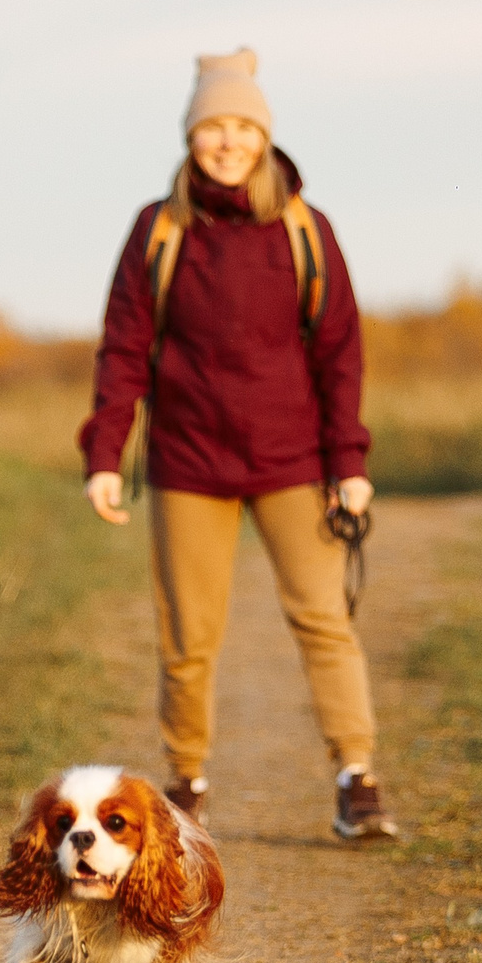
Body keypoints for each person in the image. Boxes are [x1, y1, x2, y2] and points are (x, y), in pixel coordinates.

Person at [78, 48, 399, 842]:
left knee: (324, 618)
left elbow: (339, 354)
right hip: (189, 465)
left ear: (263, 136)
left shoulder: (304, 231)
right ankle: (185, 788)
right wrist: (104, 455)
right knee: (188, 638)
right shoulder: (158, 231)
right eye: (212, 126)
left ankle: (356, 777)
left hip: (293, 463)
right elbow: (124, 347)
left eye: (241, 127)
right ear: (191, 136)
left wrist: (347, 464)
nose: (226, 141)